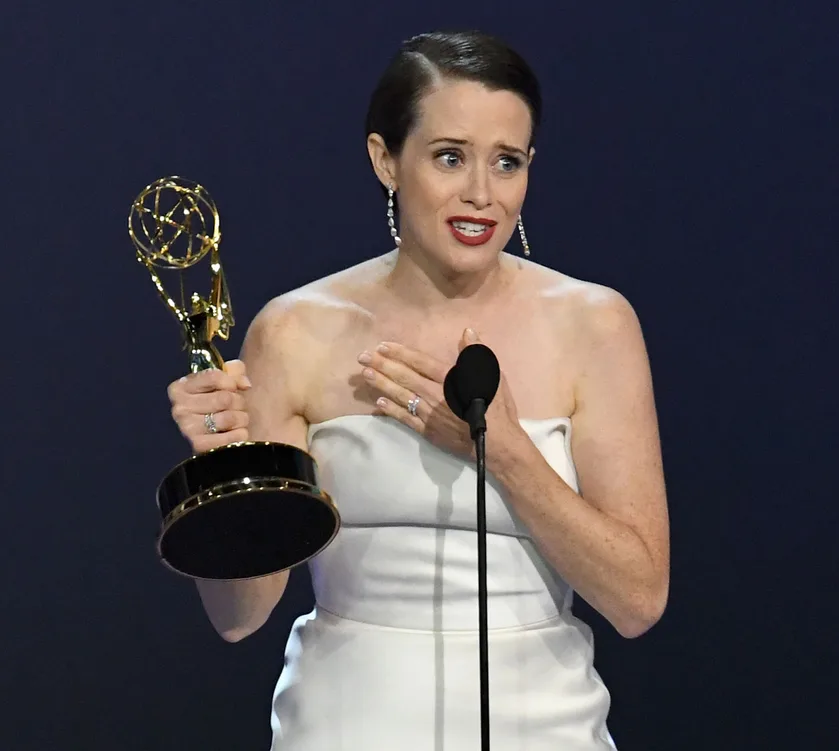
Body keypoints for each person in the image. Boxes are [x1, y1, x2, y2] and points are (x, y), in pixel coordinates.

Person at [166, 29, 669, 751]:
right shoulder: (295, 332)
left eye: (507, 162)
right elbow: (240, 614)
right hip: (345, 725)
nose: (480, 194)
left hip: (543, 726)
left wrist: (505, 452)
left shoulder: (596, 326)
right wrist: (226, 469)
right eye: (449, 156)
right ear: (385, 159)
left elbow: (638, 598)